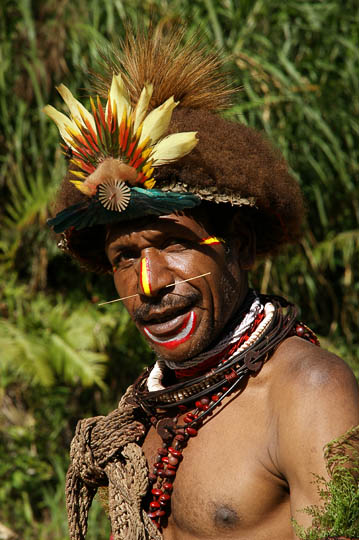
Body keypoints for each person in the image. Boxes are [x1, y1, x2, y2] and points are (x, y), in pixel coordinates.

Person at [45, 27, 359, 540]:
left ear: (242, 247)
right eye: (125, 256)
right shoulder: (147, 407)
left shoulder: (308, 392)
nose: (149, 283)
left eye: (174, 244)